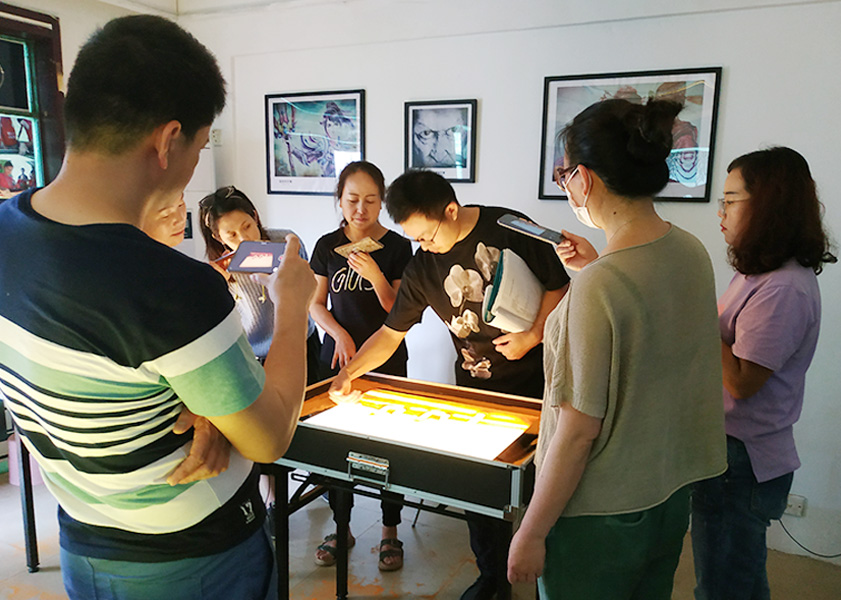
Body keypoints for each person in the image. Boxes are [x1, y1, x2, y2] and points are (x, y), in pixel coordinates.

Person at [0, 15, 316, 600]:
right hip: (195, 560)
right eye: (200, 144)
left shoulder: (6, 230)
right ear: (169, 140)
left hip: (85, 542)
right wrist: (294, 303)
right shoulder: (172, 287)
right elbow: (269, 438)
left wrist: (208, 409)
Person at [506, 98, 727, 600]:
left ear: (583, 179)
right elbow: (649, 335)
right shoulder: (690, 251)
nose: (567, 187)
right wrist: (592, 268)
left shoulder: (601, 285)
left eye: (565, 176)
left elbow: (578, 430)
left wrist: (532, 531)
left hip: (598, 515)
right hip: (668, 492)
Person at [329, 169, 570, 600]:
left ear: (451, 211)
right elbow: (390, 334)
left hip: (539, 383)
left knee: (542, 490)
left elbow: (561, 286)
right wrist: (350, 373)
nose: (423, 246)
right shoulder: (423, 266)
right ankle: (492, 577)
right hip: (477, 388)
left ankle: (543, 579)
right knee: (478, 490)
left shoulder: (509, 227)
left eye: (426, 236)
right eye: (415, 239)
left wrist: (533, 335)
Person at [690, 147, 836, 600]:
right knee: (742, 579)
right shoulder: (759, 273)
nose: (721, 212)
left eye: (731, 200)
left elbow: (742, 381)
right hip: (731, 450)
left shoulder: (784, 288)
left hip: (742, 461)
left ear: (769, 204)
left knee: (723, 585)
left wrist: (693, 313)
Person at [309, 160, 413, 571]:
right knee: (337, 449)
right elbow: (316, 304)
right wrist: (338, 334)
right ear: (339, 200)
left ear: (382, 202)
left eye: (371, 200)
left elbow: (399, 310)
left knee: (388, 450)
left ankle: (390, 531)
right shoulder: (326, 246)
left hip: (387, 363)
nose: (361, 209)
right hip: (336, 361)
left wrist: (375, 275)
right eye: (352, 199)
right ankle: (342, 527)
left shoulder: (398, 248)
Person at [198, 185, 324, 382]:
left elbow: (308, 290)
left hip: (303, 343)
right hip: (257, 357)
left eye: (247, 226)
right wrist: (217, 286)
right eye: (231, 235)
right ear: (218, 237)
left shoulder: (286, 242)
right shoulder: (218, 269)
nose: (244, 238)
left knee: (313, 399)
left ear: (255, 217)